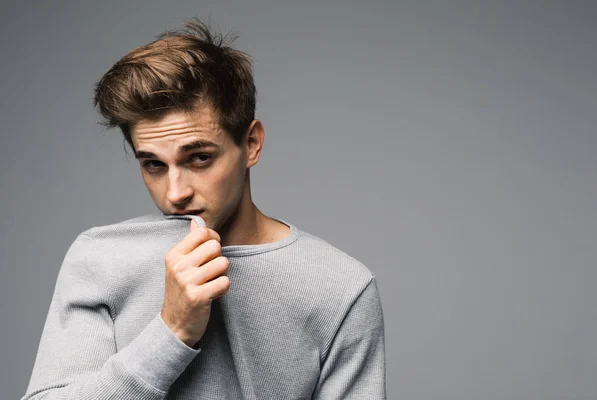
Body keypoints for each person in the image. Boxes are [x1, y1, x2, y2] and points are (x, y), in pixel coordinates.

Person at [22, 18, 386, 400]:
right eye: (153, 165)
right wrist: (172, 331)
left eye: (198, 158)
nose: (175, 194)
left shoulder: (340, 286)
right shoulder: (101, 259)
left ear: (251, 143)